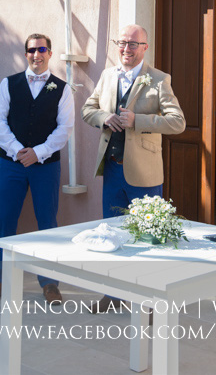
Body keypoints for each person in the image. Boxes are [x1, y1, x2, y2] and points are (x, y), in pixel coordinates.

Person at [82, 24, 186, 312]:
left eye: (133, 44)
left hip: (144, 172)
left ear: (145, 48)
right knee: (111, 235)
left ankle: (151, 301)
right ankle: (113, 295)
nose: (126, 49)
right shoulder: (107, 75)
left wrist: (137, 120)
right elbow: (87, 109)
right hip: (112, 169)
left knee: (148, 235)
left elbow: (177, 122)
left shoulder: (159, 80)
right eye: (122, 43)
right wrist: (104, 117)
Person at [0, 34, 74, 304]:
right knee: (6, 221)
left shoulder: (63, 89)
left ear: (50, 52)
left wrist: (38, 153)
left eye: (42, 49)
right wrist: (18, 151)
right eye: (32, 50)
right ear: (26, 54)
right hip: (11, 165)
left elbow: (64, 128)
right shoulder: (8, 84)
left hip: (46, 167)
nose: (37, 54)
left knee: (48, 224)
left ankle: (50, 284)